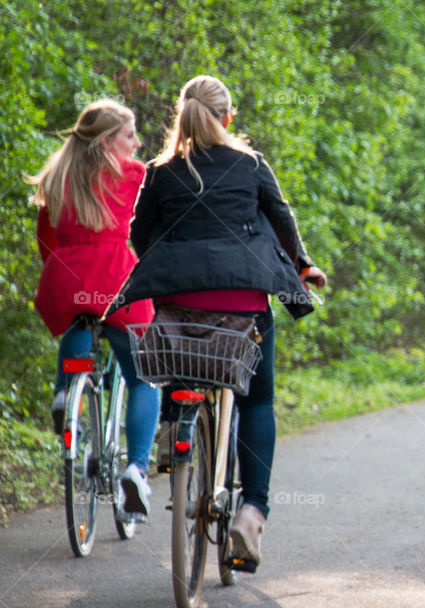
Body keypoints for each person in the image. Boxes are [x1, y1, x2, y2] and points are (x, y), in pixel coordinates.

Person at [107, 75, 326, 569]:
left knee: (177, 354)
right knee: (258, 398)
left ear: (180, 116)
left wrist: (179, 266)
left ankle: (173, 431)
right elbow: (281, 216)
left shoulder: (161, 171)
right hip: (243, 304)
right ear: (229, 117)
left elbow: (139, 236)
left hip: (180, 299)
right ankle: (252, 512)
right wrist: (304, 265)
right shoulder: (249, 164)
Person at [30, 99, 160, 519]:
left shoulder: (58, 176)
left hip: (66, 275)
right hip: (116, 278)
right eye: (129, 135)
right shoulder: (134, 176)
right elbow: (155, 224)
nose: (137, 144)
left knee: (78, 319)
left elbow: (46, 239)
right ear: (107, 142)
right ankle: (137, 470)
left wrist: (62, 268)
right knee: (144, 377)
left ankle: (67, 393)